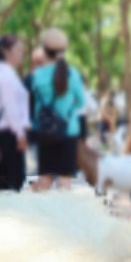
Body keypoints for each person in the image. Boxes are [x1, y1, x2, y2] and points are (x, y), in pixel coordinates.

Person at [29, 27, 86, 191]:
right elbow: (81, 102)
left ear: (44, 51)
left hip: (44, 133)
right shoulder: (72, 74)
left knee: (45, 180)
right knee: (64, 182)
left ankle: (42, 216)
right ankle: (62, 216)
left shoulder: (37, 76)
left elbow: (34, 106)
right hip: (68, 132)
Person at [0, 34, 30, 192]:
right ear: (6, 51)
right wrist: (20, 135)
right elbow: (11, 108)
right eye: (19, 50)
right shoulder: (6, 75)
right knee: (13, 180)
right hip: (10, 132)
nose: (22, 53)